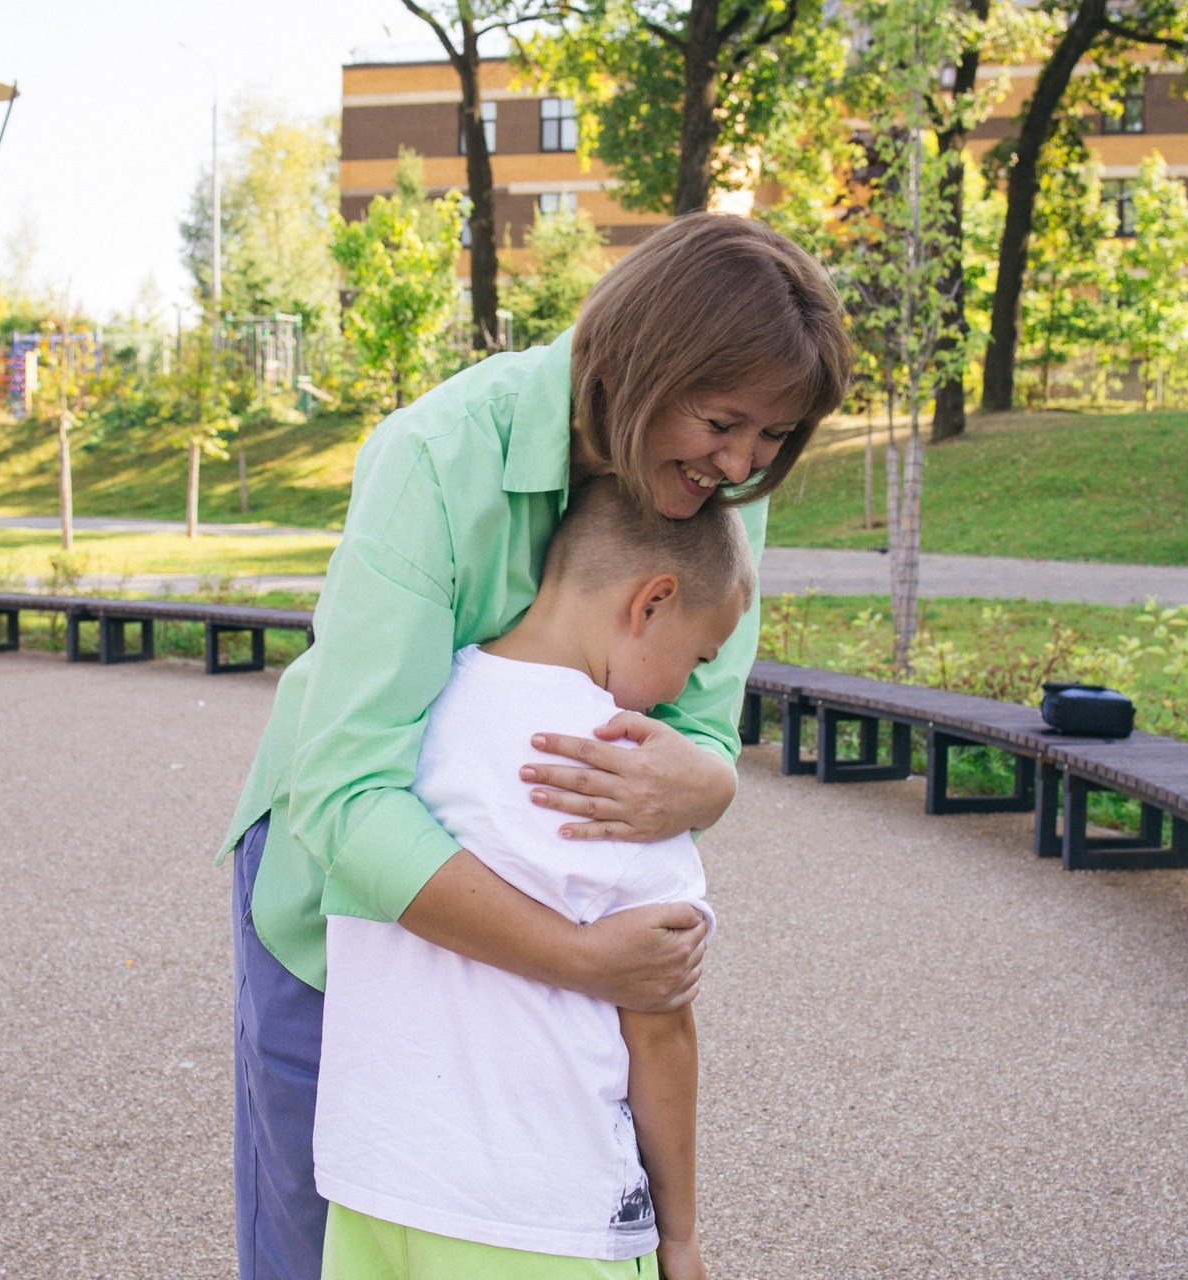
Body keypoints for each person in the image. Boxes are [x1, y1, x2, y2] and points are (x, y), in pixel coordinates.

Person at [218, 211, 852, 1280]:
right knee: (321, 1220)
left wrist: (707, 783)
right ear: (645, 364)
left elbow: (700, 732)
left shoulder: (720, 494)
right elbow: (347, 796)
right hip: (344, 909)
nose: (743, 463)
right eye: (722, 421)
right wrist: (582, 961)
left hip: (531, 920)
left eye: (774, 437)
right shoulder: (436, 455)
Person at [314, 476, 754, 1280]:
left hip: (371, 1184)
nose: (683, 692)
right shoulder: (623, 782)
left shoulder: (402, 718)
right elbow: (659, 1028)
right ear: (652, 603)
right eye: (697, 658)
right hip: (542, 1213)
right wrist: (681, 1236)